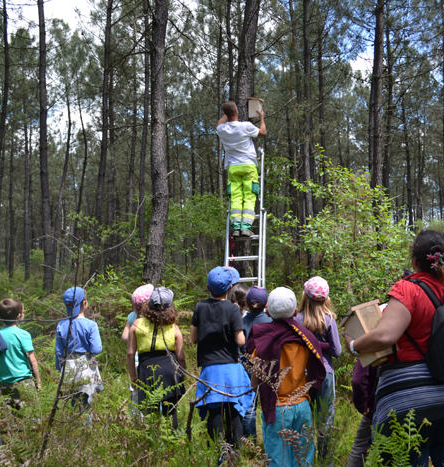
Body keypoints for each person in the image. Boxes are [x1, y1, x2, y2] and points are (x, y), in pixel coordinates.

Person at [342, 230, 444, 467]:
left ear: (415, 261)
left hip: (408, 401)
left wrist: (354, 345)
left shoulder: (408, 288)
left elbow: (385, 336)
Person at [247, 287, 327, 467]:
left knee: (278, 461)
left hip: (277, 409)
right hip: (302, 406)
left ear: (267, 311)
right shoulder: (305, 338)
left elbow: (255, 380)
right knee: (303, 460)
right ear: (296, 311)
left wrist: (254, 388)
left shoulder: (263, 340)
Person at [192, 266, 254, 459]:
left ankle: (218, 453)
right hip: (231, 367)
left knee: (214, 412)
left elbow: (193, 338)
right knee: (234, 411)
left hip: (210, 369)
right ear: (229, 289)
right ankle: (233, 455)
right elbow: (240, 341)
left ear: (208, 287)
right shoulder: (233, 309)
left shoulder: (200, 307)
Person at [295, 276, 342, 464]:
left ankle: (303, 460)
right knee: (325, 420)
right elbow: (337, 351)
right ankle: (325, 462)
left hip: (302, 374)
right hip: (325, 373)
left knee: (303, 421)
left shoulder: (297, 319)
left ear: (305, 297)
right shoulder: (329, 320)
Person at [127, 287, 186, 430]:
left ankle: (150, 445)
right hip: (169, 372)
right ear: (170, 307)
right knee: (170, 413)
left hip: (146, 372)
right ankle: (172, 446)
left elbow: (130, 353)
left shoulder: (136, 325)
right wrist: (182, 374)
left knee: (149, 413)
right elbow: (181, 357)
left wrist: (133, 376)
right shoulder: (174, 328)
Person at [217, 100, 267, 237]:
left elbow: (219, 124)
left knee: (236, 198)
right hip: (248, 166)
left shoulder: (223, 129)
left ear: (226, 114)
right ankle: (245, 227)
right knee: (250, 196)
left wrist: (227, 114)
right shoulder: (245, 126)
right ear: (236, 111)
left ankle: (235, 227)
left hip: (233, 168)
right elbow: (263, 132)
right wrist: (261, 117)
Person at [56, 287, 103, 424]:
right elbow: (96, 349)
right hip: (87, 365)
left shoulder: (61, 325)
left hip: (68, 366)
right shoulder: (91, 325)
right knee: (85, 403)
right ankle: (85, 432)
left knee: (72, 401)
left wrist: (60, 369)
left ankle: (72, 431)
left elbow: (59, 351)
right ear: (85, 303)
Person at [0, 299, 41, 411]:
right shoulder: (23, 334)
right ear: (19, 316)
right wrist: (38, 381)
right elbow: (32, 360)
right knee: (32, 415)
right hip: (24, 381)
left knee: (12, 417)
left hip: (5, 382)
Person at [240, 286, 271, 441]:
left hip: (245, 369)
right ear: (266, 305)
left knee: (249, 406)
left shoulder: (239, 322)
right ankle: (269, 439)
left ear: (246, 304)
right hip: (267, 369)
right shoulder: (271, 322)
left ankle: (249, 439)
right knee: (268, 404)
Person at [122, 284, 154, 403]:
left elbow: (124, 336)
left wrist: (133, 338)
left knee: (136, 392)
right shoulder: (152, 318)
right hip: (149, 360)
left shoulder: (132, 317)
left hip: (134, 361)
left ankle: (136, 418)